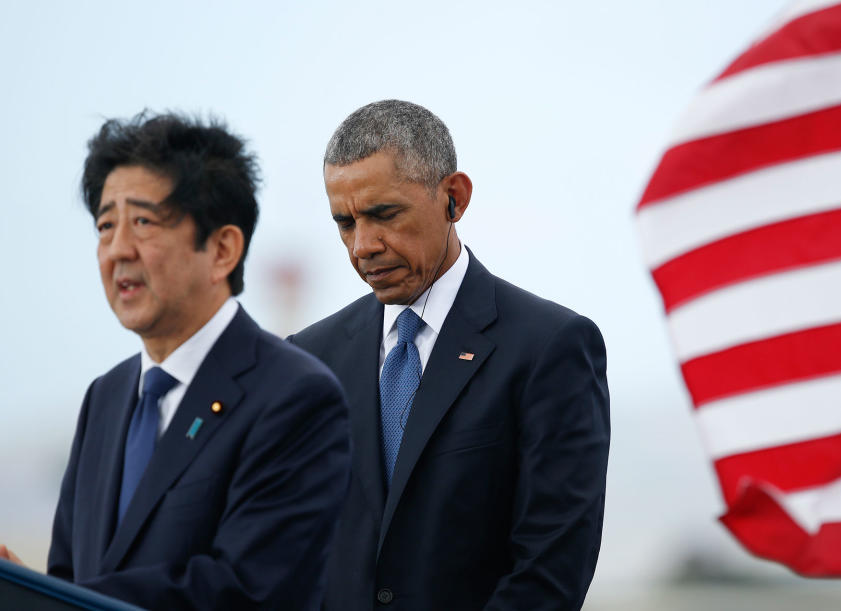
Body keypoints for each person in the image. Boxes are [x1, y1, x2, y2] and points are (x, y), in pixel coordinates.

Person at [1, 112, 351, 609]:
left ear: (223, 249)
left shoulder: (295, 395)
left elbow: (247, 590)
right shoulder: (106, 396)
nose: (117, 249)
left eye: (143, 222)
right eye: (105, 225)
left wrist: (58, 597)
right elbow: (67, 577)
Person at [289, 100, 610, 610]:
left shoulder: (550, 346)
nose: (362, 246)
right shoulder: (307, 361)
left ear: (453, 199)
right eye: (345, 224)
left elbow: (551, 569)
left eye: (383, 214)